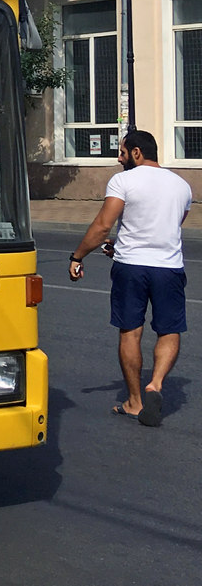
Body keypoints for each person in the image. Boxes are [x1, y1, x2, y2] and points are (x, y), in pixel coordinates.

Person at [68, 130, 192, 427]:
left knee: (130, 331)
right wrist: (122, 243)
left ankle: (135, 402)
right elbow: (171, 226)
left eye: (122, 153)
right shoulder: (182, 186)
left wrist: (77, 256)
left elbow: (102, 226)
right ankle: (156, 384)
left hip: (131, 268)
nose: (119, 158)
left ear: (137, 152)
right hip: (169, 268)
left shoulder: (123, 181)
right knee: (169, 330)